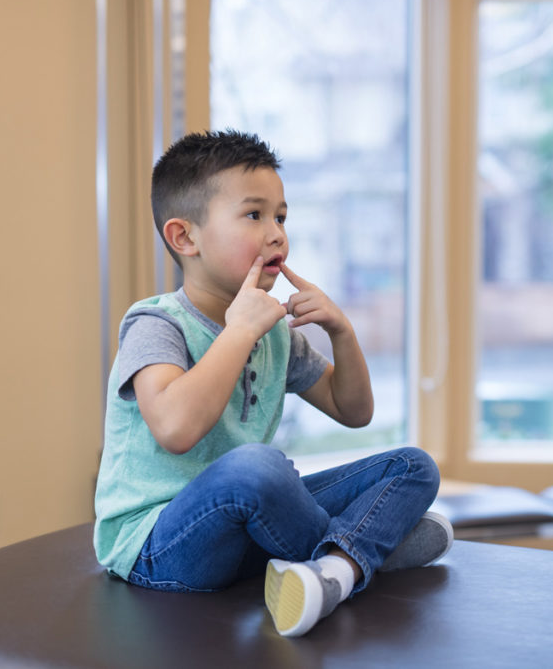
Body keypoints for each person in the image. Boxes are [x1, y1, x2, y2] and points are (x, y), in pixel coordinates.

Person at [94, 129, 452, 638]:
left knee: (412, 466)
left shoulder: (274, 335)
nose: (277, 233)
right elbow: (176, 428)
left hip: (241, 534)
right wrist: (239, 331)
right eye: (254, 215)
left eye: (281, 216)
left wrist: (341, 332)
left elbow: (353, 411)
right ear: (185, 237)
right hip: (157, 545)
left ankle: (335, 570)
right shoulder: (157, 324)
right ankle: (363, 549)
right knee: (258, 468)